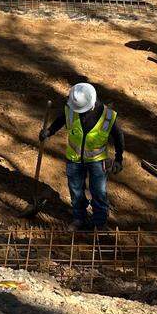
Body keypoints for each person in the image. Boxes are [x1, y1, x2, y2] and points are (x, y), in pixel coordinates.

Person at [40, 83, 124, 230]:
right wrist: (49, 132)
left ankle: (99, 222)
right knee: (75, 190)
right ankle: (79, 218)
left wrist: (118, 158)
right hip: (74, 159)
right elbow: (60, 120)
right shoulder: (71, 110)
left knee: (98, 192)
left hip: (97, 161)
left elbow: (118, 136)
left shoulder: (108, 116)